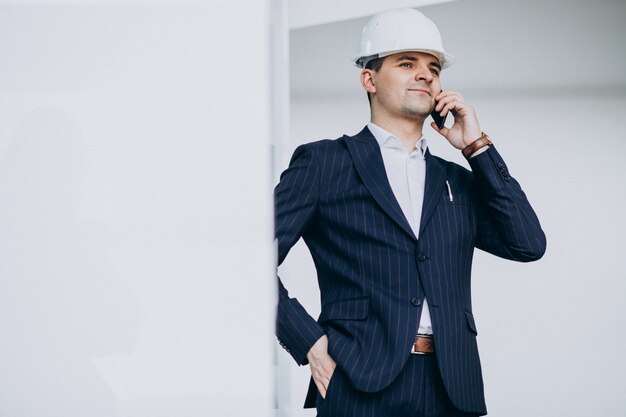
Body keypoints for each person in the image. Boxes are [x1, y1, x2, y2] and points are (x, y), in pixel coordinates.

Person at [274, 8, 546, 417]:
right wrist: (309, 343)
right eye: (407, 63)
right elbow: (248, 262)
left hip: (452, 385)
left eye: (433, 68)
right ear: (369, 79)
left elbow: (528, 243)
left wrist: (478, 149)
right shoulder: (323, 163)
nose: (426, 74)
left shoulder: (458, 179)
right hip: (358, 379)